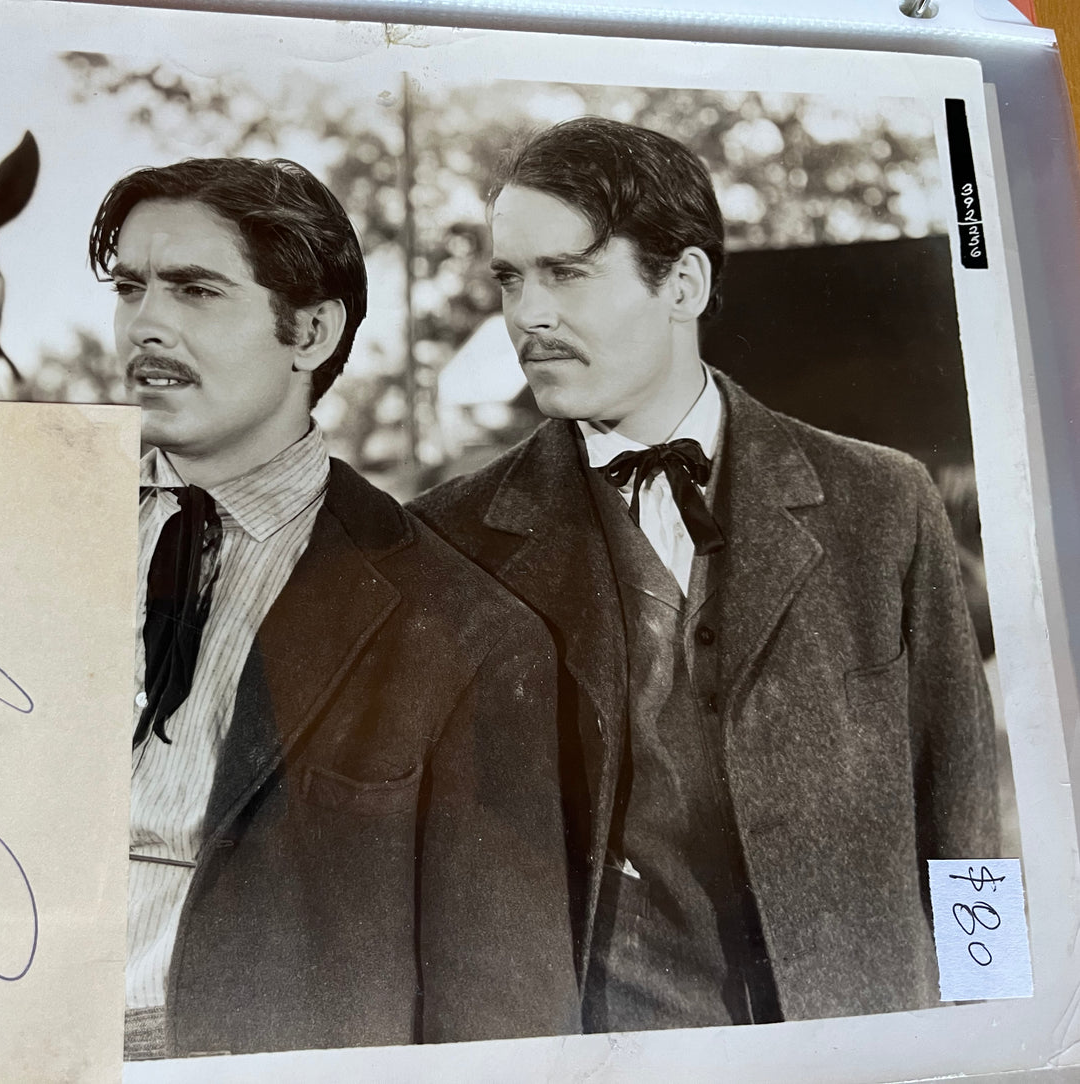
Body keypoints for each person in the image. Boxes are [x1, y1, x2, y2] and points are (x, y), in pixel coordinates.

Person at [410, 117, 999, 1031]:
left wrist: (990, 1017)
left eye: (566, 272)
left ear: (681, 283)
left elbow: (960, 805)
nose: (527, 314)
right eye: (510, 278)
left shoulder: (882, 501)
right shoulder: (447, 542)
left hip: (864, 1038)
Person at [89, 156, 579, 1059]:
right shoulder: (15, 532)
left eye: (196, 290)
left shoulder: (462, 627)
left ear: (310, 332)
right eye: (130, 288)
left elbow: (501, 1011)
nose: (145, 323)